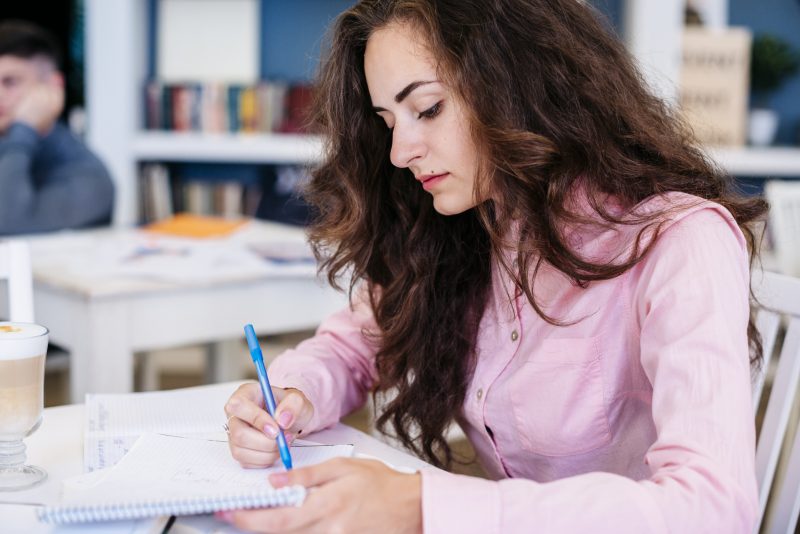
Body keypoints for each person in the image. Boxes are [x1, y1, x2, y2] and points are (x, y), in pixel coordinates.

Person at [221, 0, 768, 532]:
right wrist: (293, 397)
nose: (400, 151)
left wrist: (423, 508)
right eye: (389, 121)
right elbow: (354, 345)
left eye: (428, 109)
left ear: (521, 84)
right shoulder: (464, 225)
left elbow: (713, 508)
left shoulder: (679, 242)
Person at [0, 20, 113, 235]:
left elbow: (6, 229)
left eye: (10, 82)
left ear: (54, 86)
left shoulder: (88, 175)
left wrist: (23, 129)